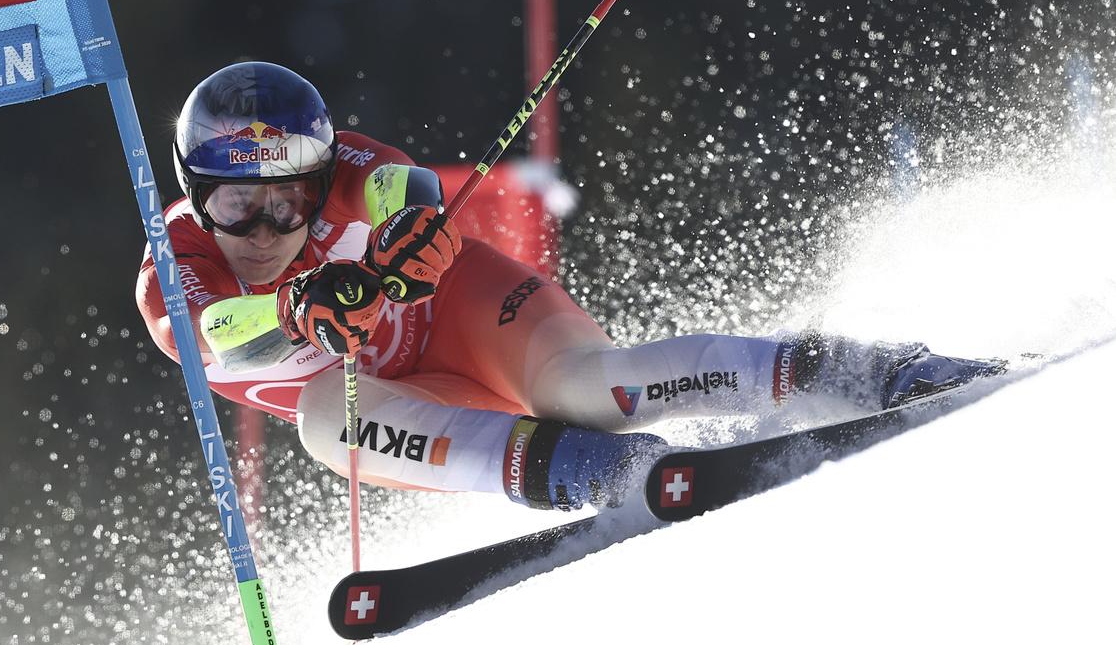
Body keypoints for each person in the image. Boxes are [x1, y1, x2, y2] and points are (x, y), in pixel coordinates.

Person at [136, 61, 1002, 511]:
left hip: (466, 315)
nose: (263, 232)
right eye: (237, 207)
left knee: (597, 388)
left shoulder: (344, 168)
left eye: (287, 205)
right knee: (329, 421)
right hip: (395, 400)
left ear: (316, 183)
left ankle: (865, 371)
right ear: (195, 192)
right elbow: (217, 333)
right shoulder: (174, 266)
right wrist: (298, 303)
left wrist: (410, 238)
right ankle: (605, 474)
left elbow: (410, 190)